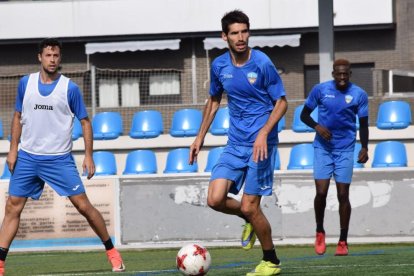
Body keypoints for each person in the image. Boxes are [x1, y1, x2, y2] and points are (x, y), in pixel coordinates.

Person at [0, 38, 125, 275]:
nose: (52, 60)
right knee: (12, 208)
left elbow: (85, 122)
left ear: (60, 58)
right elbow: (17, 116)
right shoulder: (25, 84)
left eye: (56, 56)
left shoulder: (70, 88)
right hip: (28, 157)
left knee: (83, 206)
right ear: (40, 57)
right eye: (48, 55)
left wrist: (89, 156)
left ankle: (112, 251)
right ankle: (0, 263)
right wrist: (13, 149)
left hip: (59, 159)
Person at [189, 10, 287, 276]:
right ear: (225, 37)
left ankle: (271, 261)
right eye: (234, 33)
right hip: (235, 144)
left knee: (249, 204)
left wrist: (265, 131)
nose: (241, 37)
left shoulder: (262, 63)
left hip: (261, 144)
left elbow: (281, 102)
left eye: (244, 31)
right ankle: (249, 220)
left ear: (249, 33)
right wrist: (199, 138)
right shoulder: (220, 65)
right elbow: (213, 100)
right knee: (215, 199)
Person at [300, 58, 369, 256]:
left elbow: (363, 124)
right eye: (338, 74)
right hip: (323, 148)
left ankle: (343, 240)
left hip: (345, 149)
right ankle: (320, 230)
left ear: (349, 74)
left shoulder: (359, 94)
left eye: (345, 74)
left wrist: (364, 147)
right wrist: (317, 127)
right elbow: (304, 115)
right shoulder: (320, 90)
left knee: (342, 195)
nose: (341, 77)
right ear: (333, 74)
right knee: (321, 192)